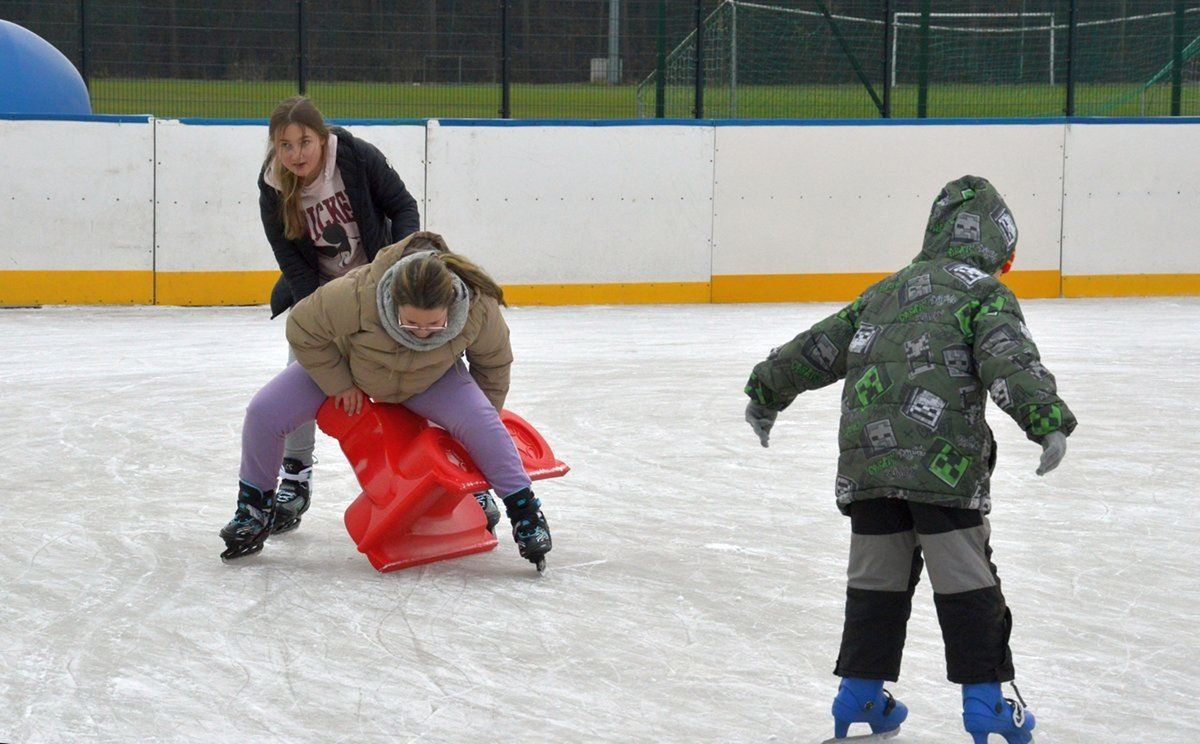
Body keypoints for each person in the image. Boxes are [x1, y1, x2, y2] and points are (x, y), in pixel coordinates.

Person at [743, 176, 1075, 744]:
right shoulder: (985, 293)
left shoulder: (885, 291)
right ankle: (987, 706)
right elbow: (1007, 358)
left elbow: (816, 348)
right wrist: (1046, 422)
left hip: (870, 469)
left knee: (877, 584)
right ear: (996, 249)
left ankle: (860, 695)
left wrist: (765, 393)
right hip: (942, 471)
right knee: (968, 585)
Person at [219, 232, 552, 571]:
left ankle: (526, 513)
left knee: (482, 421)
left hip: (431, 378)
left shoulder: (476, 305)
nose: (421, 332)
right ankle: (254, 509)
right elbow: (303, 327)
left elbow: (494, 364)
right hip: (353, 367)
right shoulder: (360, 292)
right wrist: (339, 384)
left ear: (451, 304)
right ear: (392, 299)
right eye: (410, 322)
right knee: (264, 411)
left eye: (434, 325)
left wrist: (477, 440)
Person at [258, 95, 420, 533]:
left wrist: (399, 268)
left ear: (322, 136)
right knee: (301, 365)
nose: (296, 154)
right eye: (285, 145)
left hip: (381, 287)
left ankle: (450, 468)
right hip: (323, 294)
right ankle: (295, 476)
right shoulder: (273, 186)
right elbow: (291, 263)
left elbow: (403, 207)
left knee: (424, 369)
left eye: (304, 142)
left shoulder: (355, 156)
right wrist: (320, 320)